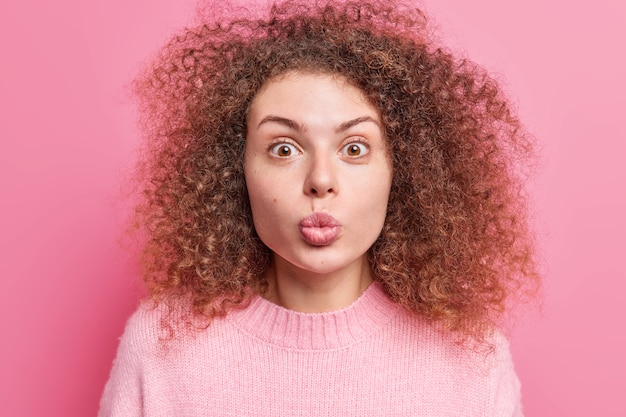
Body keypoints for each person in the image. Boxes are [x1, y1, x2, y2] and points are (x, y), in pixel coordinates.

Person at [99, 0, 539, 415]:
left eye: (353, 147)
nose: (321, 181)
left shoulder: (471, 361)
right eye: (284, 149)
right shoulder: (160, 349)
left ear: (401, 169)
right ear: (236, 169)